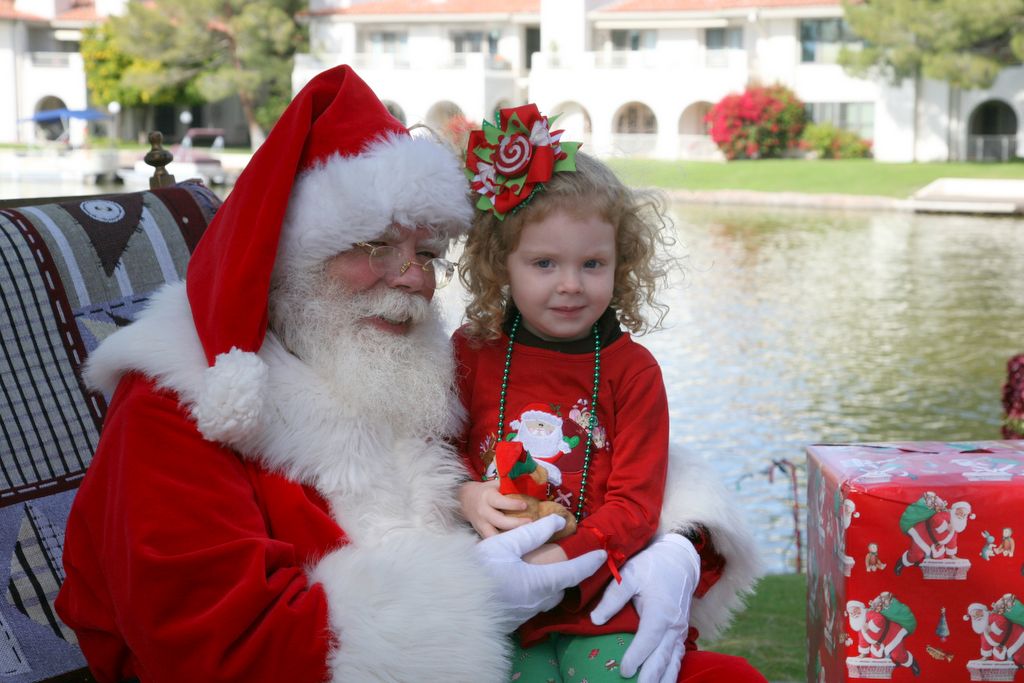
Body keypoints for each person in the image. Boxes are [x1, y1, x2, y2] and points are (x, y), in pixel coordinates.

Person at [55, 65, 760, 682]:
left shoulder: (411, 357)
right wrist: (467, 595)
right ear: (288, 254)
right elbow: (216, 650)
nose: (413, 280)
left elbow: (587, 449)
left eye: (425, 250)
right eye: (372, 246)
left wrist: (680, 546)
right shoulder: (182, 399)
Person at [456, 106, 765, 682]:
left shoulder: (633, 371)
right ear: (502, 265)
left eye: (592, 263)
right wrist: (466, 495)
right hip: (495, 599)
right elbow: (431, 457)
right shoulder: (471, 354)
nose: (570, 283)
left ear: (622, 266)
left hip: (599, 599)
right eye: (544, 263)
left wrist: (559, 564)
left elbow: (635, 505)